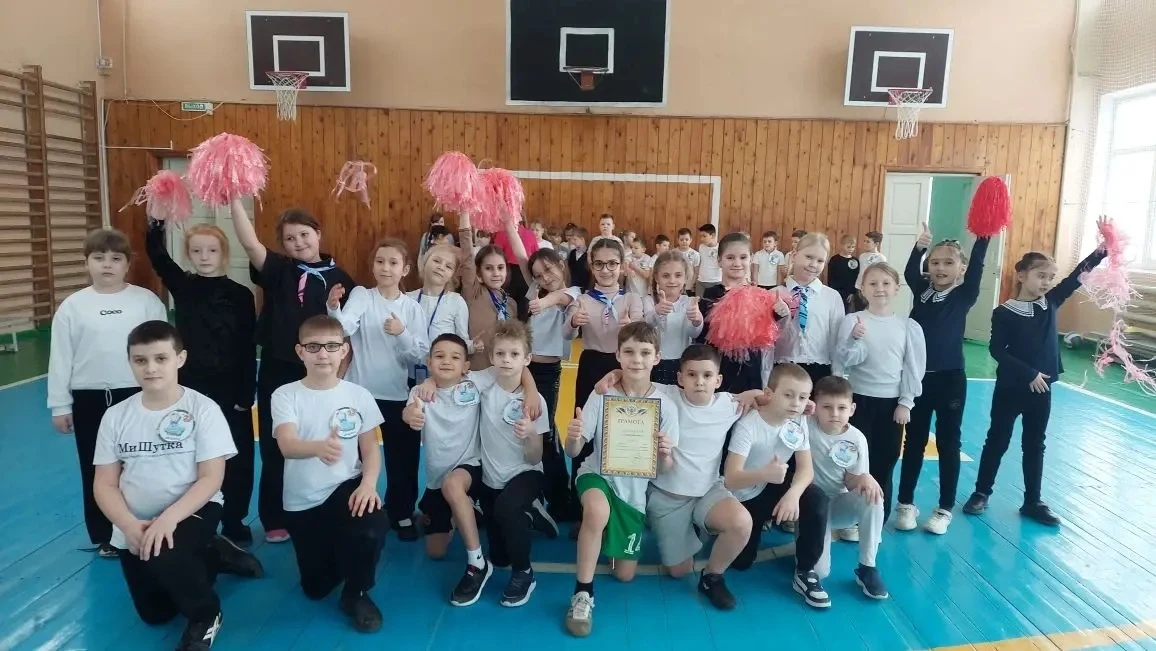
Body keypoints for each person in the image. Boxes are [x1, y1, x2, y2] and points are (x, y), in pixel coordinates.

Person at [93, 320, 263, 651]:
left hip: (194, 508)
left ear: (180, 359)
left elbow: (211, 478)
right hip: (136, 520)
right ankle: (214, 554)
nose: (150, 368)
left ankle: (207, 614)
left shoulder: (203, 409)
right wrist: (128, 524)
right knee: (156, 614)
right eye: (140, 360)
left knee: (166, 553)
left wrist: (168, 519)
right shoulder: (115, 416)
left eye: (161, 358)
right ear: (130, 362)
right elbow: (104, 484)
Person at [963, 223, 1110, 526]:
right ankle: (981, 492)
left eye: (1050, 277)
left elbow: (1077, 276)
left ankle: (1033, 501)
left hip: (1042, 391)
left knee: (1035, 444)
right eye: (1041, 275)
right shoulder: (1004, 312)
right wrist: (1028, 373)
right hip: (1010, 389)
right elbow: (997, 350)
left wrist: (1102, 250)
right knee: (997, 440)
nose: (1046, 282)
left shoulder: (1051, 302)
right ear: (1021, 276)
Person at [229, 198, 355, 544]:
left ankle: (319, 506)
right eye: (289, 238)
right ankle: (274, 516)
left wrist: (341, 374)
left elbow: (349, 332)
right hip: (278, 369)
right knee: (276, 443)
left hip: (321, 373)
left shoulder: (342, 279)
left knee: (320, 439)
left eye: (304, 234)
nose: (298, 243)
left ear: (318, 234)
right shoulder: (280, 270)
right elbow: (250, 243)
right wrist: (235, 201)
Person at [49, 228, 168, 557]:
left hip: (138, 395)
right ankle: (105, 535)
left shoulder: (146, 302)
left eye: (116, 259)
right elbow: (60, 358)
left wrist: (165, 393)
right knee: (97, 467)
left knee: (141, 464)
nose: (107, 265)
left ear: (127, 264)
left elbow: (163, 351)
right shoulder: (73, 307)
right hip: (89, 399)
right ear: (86, 262)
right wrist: (60, 405)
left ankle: (147, 526)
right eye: (99, 258)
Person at [271, 315, 388, 632]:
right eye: (313, 347)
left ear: (344, 350)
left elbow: (370, 449)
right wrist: (317, 448)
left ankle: (356, 593)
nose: (323, 354)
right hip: (303, 501)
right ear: (300, 352)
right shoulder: (285, 395)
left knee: (372, 526)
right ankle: (338, 551)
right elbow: (287, 445)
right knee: (316, 588)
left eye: (332, 346)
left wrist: (368, 484)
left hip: (344, 487)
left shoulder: (358, 395)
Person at [563, 322, 679, 636]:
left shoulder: (666, 406)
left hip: (633, 493)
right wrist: (573, 436)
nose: (636, 359)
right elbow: (574, 450)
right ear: (618, 355)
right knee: (596, 512)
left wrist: (665, 454)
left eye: (644, 353)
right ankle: (583, 593)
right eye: (629, 352)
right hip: (596, 475)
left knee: (624, 575)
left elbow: (665, 469)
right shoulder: (602, 394)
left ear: (657, 357)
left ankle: (601, 534)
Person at [145, 220, 257, 544]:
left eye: (212, 250)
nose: (204, 257)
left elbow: (247, 346)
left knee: (237, 457)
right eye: (196, 251)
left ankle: (234, 518)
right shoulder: (183, 285)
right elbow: (156, 254)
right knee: (190, 454)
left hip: (231, 389)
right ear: (188, 255)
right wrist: (157, 219)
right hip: (191, 388)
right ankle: (194, 516)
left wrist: (246, 392)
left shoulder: (241, 295)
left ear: (224, 253)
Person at [327, 237, 430, 541]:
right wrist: (333, 308)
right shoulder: (362, 295)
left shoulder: (412, 308)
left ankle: (401, 512)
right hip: (359, 393)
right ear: (372, 266)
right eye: (380, 261)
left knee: (403, 458)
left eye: (393, 262)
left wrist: (402, 333)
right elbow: (344, 327)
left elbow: (420, 355)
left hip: (397, 394)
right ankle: (356, 509)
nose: (385, 268)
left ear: (405, 269)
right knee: (354, 457)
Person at [896, 224, 990, 534]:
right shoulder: (922, 293)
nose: (940, 268)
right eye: (935, 262)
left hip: (950, 380)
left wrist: (984, 236)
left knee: (949, 443)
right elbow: (910, 271)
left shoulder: (964, 295)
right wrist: (919, 248)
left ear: (961, 268)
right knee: (913, 442)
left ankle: (944, 508)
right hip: (917, 380)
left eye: (949, 263)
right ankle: (905, 504)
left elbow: (977, 268)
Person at [723, 363, 830, 608]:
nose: (796, 403)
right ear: (769, 394)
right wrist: (764, 474)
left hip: (774, 485)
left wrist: (793, 494)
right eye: (788, 395)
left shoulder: (798, 421)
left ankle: (805, 571)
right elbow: (730, 477)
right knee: (741, 563)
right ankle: (746, 524)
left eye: (802, 397)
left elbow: (806, 469)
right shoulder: (748, 425)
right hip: (745, 494)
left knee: (815, 498)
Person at [402, 334, 493, 606]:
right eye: (439, 356)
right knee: (435, 552)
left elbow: (517, 368)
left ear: (466, 365)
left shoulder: (475, 382)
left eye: (455, 357)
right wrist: (411, 415)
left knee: (452, 486)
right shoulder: (420, 392)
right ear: (429, 362)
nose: (446, 361)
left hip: (470, 468)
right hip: (436, 479)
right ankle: (460, 512)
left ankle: (477, 563)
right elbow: (410, 411)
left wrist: (532, 391)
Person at [834, 263, 926, 525]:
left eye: (886, 283)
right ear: (862, 288)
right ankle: (852, 518)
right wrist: (853, 339)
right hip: (858, 401)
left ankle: (876, 518)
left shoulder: (907, 326)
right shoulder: (853, 321)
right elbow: (842, 362)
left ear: (896, 288)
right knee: (855, 459)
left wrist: (906, 402)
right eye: (872, 283)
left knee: (885, 460)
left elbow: (913, 367)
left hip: (891, 405)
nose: (879, 289)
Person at [474, 321, 551, 607]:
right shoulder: (483, 386)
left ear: (526, 359)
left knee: (507, 509)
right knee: (499, 557)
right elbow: (452, 378)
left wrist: (530, 434)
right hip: (491, 478)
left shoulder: (535, 402)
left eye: (514, 354)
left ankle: (525, 573)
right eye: (501, 354)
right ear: (491, 357)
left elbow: (535, 457)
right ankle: (532, 514)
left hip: (526, 473)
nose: (507, 360)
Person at [807, 376, 889, 600]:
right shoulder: (806, 424)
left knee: (872, 495)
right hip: (811, 507)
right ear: (815, 407)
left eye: (841, 408)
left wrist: (864, 478)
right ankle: (806, 542)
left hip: (838, 504)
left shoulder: (857, 438)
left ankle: (867, 567)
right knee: (819, 572)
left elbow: (851, 481)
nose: (834, 413)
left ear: (852, 409)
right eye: (827, 407)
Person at [773, 232, 844, 386]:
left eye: (820, 261)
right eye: (809, 257)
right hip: (782, 368)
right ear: (794, 256)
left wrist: (837, 374)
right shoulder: (775, 294)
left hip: (819, 368)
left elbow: (836, 338)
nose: (813, 264)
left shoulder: (832, 297)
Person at [643, 251, 702, 386]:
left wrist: (697, 321)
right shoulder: (649, 301)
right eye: (666, 276)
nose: (672, 280)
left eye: (678, 275)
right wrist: (656, 312)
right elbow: (645, 328)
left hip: (682, 361)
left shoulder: (689, 302)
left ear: (685, 278)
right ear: (656, 277)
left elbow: (693, 334)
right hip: (653, 362)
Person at [695, 224, 721, 297]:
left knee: (714, 303)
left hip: (716, 281)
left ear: (712, 235)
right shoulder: (701, 247)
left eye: (704, 236)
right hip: (701, 281)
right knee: (698, 302)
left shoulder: (720, 248)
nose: (701, 239)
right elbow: (699, 262)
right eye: (700, 236)